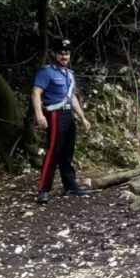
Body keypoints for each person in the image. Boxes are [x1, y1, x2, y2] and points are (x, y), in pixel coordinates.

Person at [32, 38, 92, 204]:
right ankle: (43, 189)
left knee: (67, 152)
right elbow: (36, 93)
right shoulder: (46, 72)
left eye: (66, 53)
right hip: (55, 114)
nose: (64, 56)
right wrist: (39, 114)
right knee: (53, 152)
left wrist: (82, 117)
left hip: (68, 115)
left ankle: (70, 186)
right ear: (54, 54)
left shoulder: (69, 75)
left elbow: (72, 98)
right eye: (61, 53)